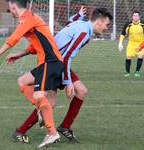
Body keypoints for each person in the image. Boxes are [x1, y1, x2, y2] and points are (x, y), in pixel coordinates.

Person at [6, 7, 112, 143]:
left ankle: (64, 127)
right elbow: (67, 56)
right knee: (48, 102)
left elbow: (68, 24)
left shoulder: (81, 24)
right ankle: (21, 131)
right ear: (99, 21)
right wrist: (67, 82)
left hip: (57, 62)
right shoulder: (85, 31)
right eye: (107, 24)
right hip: (56, 64)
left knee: (81, 91)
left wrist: (77, 15)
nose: (107, 28)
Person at [0, 0, 64, 148]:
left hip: (50, 62)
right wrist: (19, 54)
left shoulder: (26, 17)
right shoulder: (32, 18)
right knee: (23, 81)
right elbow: (36, 45)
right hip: (49, 62)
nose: (10, 11)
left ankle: (52, 132)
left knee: (38, 96)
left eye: (10, 8)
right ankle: (42, 111)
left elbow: (14, 37)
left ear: (13, 6)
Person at [118, 11, 144, 77]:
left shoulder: (142, 24)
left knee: (140, 56)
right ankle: (127, 72)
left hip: (140, 43)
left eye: (137, 16)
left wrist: (142, 45)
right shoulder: (128, 25)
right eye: (134, 16)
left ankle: (137, 71)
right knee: (128, 57)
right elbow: (123, 34)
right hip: (131, 44)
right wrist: (120, 43)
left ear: (139, 17)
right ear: (132, 17)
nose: (135, 17)